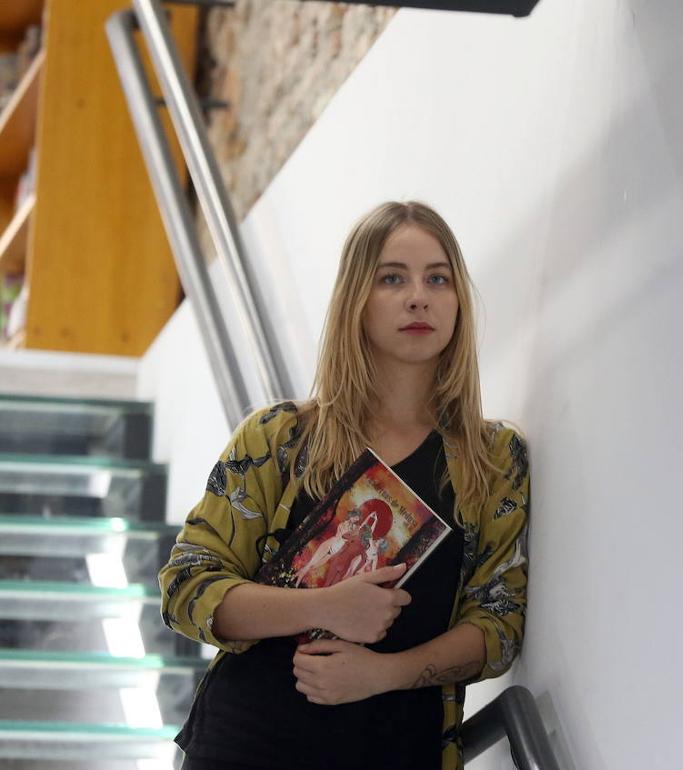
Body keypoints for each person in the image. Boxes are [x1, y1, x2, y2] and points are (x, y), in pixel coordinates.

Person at [159, 201, 530, 770]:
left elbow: (499, 623)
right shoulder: (278, 437)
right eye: (391, 278)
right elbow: (186, 587)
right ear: (356, 298)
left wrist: (386, 673)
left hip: (395, 749)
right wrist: (328, 606)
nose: (418, 297)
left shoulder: (493, 460)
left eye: (438, 278)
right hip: (244, 744)